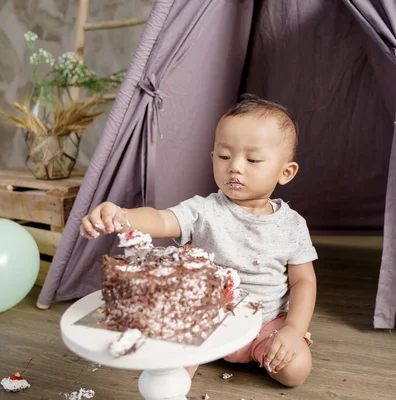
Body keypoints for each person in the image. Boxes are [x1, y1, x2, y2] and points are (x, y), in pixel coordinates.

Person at [80, 94, 318, 387]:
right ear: (213, 158)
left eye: (252, 159)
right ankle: (180, 375)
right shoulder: (204, 210)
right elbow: (162, 219)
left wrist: (293, 329)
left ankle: (265, 349)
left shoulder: (292, 225)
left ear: (286, 172)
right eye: (224, 156)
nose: (235, 167)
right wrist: (122, 215)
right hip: (204, 319)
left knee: (295, 370)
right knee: (169, 373)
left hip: (265, 323)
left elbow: (303, 281)